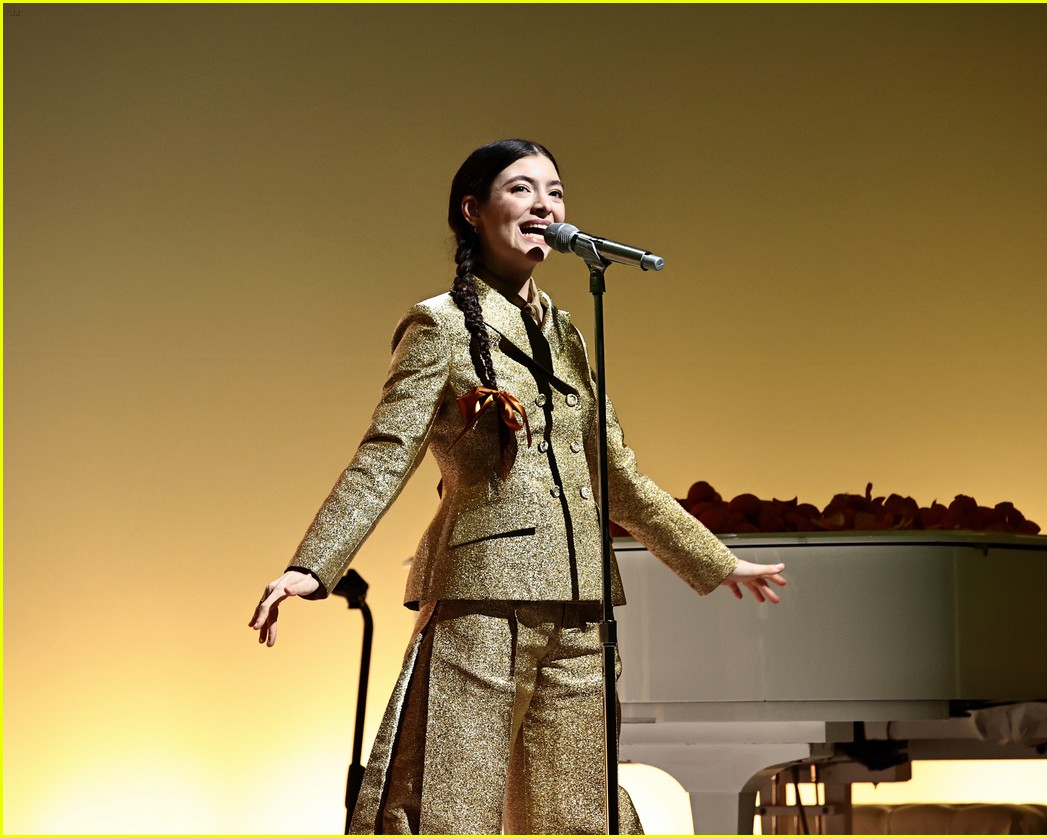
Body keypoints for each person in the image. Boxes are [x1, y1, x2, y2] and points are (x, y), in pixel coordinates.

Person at [249, 139, 787, 835]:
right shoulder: (438, 326)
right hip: (482, 599)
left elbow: (614, 473)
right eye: (523, 189)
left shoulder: (567, 333)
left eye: (556, 192)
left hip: (581, 604)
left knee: (578, 818)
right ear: (473, 211)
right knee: (452, 809)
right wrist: (311, 566)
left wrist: (713, 559)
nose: (545, 205)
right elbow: (386, 455)